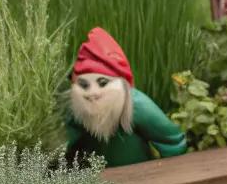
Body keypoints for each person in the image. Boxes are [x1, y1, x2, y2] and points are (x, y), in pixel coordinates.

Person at [66, 27, 187, 167]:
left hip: (141, 177)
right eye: (84, 85)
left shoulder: (136, 105)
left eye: (103, 83)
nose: (92, 93)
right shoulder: (78, 109)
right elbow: (65, 144)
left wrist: (169, 175)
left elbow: (172, 140)